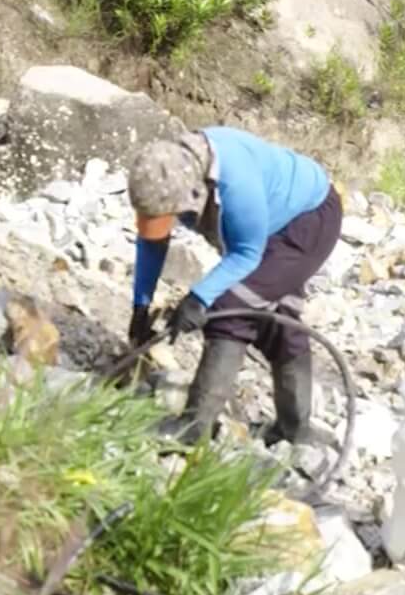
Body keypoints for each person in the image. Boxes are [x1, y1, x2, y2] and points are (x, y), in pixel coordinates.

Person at [125, 126, 342, 447]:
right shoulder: (162, 174)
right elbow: (152, 242)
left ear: (192, 194)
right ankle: (294, 431)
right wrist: (141, 305)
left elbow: (247, 253)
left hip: (306, 222)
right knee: (277, 319)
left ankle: (194, 427)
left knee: (231, 307)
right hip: (269, 223)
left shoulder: (234, 183)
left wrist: (198, 298)